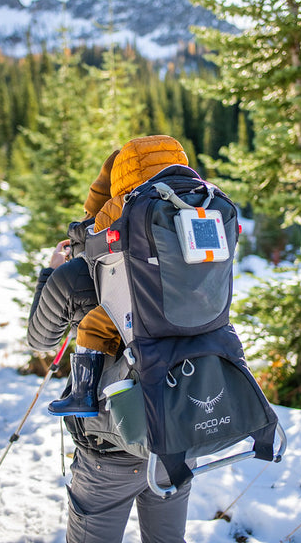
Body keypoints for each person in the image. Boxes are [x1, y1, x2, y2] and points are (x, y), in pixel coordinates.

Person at [27, 136, 194, 543]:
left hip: (109, 449)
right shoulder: (195, 249)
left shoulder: (83, 268)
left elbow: (41, 338)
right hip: (176, 432)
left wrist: (53, 273)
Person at [47, 135, 189, 417]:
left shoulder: (122, 203)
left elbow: (97, 238)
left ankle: (83, 395)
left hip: (141, 302)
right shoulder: (196, 197)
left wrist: (81, 232)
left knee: (93, 328)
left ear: (127, 169)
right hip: (191, 299)